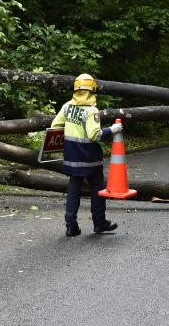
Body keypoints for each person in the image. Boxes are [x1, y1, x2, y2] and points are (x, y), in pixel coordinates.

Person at [51, 73, 122, 237]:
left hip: (72, 157)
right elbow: (95, 135)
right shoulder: (92, 111)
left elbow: (55, 126)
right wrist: (112, 130)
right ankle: (99, 224)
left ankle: (71, 225)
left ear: (76, 89)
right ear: (92, 90)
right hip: (90, 159)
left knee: (73, 190)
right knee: (97, 189)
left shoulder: (67, 107)